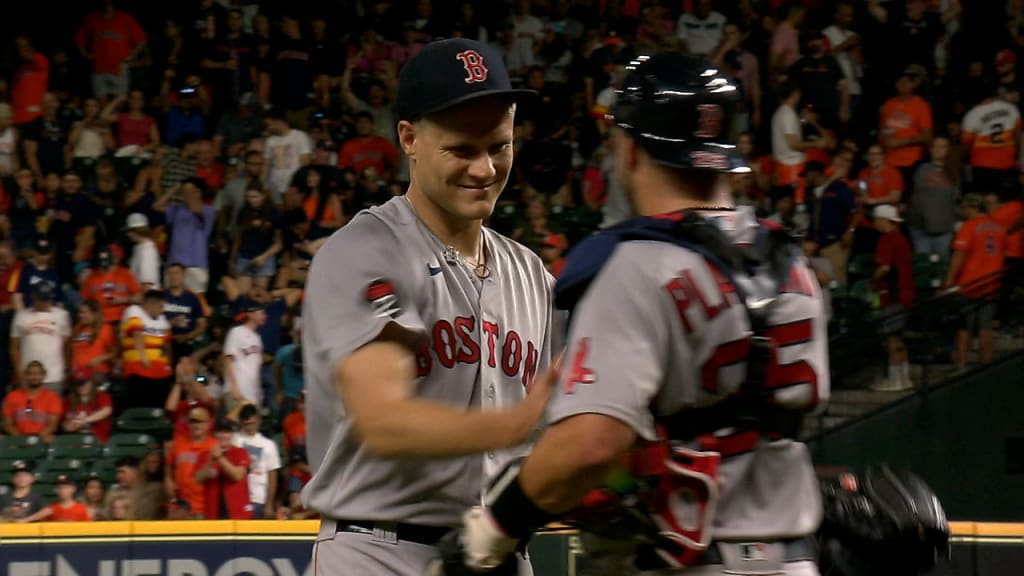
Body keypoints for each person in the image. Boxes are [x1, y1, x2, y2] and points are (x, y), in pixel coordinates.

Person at [435, 52, 829, 576]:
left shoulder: (638, 264)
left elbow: (589, 444)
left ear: (630, 149)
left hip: (692, 558)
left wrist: (494, 530)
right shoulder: (792, 264)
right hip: (796, 557)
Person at [302, 38, 563, 576]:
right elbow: (384, 421)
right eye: (461, 150)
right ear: (409, 138)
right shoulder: (367, 250)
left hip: (497, 554)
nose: (485, 169)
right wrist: (517, 425)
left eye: (500, 146)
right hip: (380, 551)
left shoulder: (532, 274)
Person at [944, 194, 1006, 370]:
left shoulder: (969, 226)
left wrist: (949, 280)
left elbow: (959, 255)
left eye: (964, 208)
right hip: (992, 283)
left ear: (972, 208)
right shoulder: (999, 227)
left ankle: (961, 366)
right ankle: (986, 366)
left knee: (963, 328)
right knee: (986, 328)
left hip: (969, 283)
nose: (963, 212)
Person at [870, 205, 916, 392]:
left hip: (893, 294)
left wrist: (873, 281)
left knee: (892, 339)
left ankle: (895, 379)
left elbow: (885, 268)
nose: (874, 224)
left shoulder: (887, 239)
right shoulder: (902, 239)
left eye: (876, 220)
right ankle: (904, 378)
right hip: (906, 293)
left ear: (883, 220)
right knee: (898, 337)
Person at [10, 282, 72, 393]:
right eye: (42, 299)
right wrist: (19, 374)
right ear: (33, 296)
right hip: (28, 377)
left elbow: (67, 347)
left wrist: (66, 371)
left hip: (54, 376)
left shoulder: (62, 315)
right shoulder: (20, 316)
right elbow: (14, 348)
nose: (45, 302)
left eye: (47, 298)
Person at [119, 290, 173, 409]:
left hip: (160, 373)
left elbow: (167, 345)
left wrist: (169, 365)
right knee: (140, 406)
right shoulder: (134, 311)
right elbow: (137, 334)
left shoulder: (163, 320)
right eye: (160, 306)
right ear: (151, 304)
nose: (162, 309)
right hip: (138, 371)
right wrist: (143, 358)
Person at [194, 417, 252, 520]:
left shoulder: (241, 452)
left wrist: (219, 457)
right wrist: (210, 461)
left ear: (232, 435)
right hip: (212, 513)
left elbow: (237, 476)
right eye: (220, 432)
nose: (223, 436)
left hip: (238, 513)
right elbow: (197, 480)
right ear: (214, 434)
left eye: (227, 432)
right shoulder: (204, 455)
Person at [233, 403, 281, 519]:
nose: (249, 427)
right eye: (246, 424)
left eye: (252, 423)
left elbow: (272, 476)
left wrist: (269, 504)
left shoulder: (269, 445)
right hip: (238, 497)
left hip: (259, 498)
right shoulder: (234, 440)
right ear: (241, 423)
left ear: (259, 420)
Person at [2, 361, 63, 442]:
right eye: (31, 374)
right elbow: (7, 424)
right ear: (25, 375)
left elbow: (52, 425)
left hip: (41, 439)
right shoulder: (12, 396)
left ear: (44, 375)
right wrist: (20, 440)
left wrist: (36, 441)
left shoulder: (52, 397)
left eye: (38, 374)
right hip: (17, 439)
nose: (34, 377)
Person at [223, 303, 266, 408]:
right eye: (262, 313)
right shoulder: (236, 332)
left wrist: (259, 393)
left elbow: (256, 367)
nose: (265, 316)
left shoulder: (257, 338)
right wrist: (233, 387)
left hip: (253, 394)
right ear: (251, 314)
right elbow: (227, 359)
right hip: (238, 390)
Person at [62, 370, 114, 441]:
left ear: (91, 382)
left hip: (97, 440)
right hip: (75, 441)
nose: (81, 386)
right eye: (78, 384)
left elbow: (107, 411)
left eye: (84, 383)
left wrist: (84, 420)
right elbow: (64, 423)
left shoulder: (101, 396)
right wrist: (69, 426)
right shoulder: (68, 401)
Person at [18, 475, 92, 522]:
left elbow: (88, 527)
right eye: (59, 488)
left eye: (65, 487)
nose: (62, 491)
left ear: (73, 489)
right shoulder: (51, 508)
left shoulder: (81, 508)